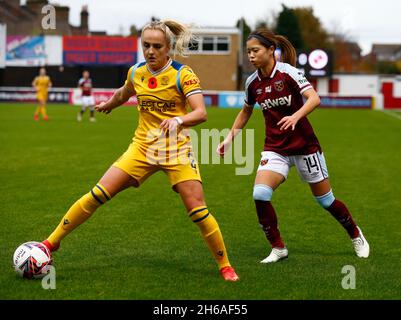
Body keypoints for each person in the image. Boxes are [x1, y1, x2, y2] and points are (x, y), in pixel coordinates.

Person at [41, 20, 239, 281]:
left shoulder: (183, 74)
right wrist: (108, 104)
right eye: (146, 45)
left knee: (198, 210)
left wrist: (179, 120)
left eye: (157, 46)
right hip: (142, 148)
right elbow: (124, 93)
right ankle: (50, 244)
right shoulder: (136, 72)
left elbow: (201, 113)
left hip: (176, 151)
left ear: (168, 47)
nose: (150, 51)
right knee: (97, 194)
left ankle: (225, 266)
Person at [217, 28, 370, 263]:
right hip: (275, 147)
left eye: (255, 50)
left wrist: (296, 116)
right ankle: (278, 248)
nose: (251, 56)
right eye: (248, 52)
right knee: (260, 193)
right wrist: (229, 138)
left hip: (304, 146)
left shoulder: (289, 73)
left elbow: (314, 98)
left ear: (270, 50)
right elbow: (246, 111)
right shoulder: (252, 83)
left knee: (326, 201)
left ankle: (355, 234)